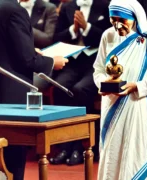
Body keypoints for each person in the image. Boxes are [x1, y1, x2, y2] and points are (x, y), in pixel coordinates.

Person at [0, 0, 68, 179]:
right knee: (10, 156)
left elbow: (2, 46)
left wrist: (32, 51)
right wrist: (52, 62)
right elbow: (27, 61)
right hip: (9, 91)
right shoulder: (15, 10)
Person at [93, 0, 147, 179]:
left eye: (121, 20)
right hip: (111, 104)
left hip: (137, 105)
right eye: (112, 19)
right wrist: (103, 84)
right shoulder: (108, 36)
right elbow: (98, 69)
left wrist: (136, 86)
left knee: (134, 155)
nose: (117, 25)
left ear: (134, 17)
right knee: (111, 155)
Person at [49, 0, 110, 166]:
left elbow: (110, 37)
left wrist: (87, 27)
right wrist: (73, 30)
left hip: (96, 63)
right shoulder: (69, 7)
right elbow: (56, 37)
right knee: (60, 86)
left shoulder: (105, 5)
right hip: (74, 62)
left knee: (80, 89)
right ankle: (65, 146)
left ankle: (82, 146)